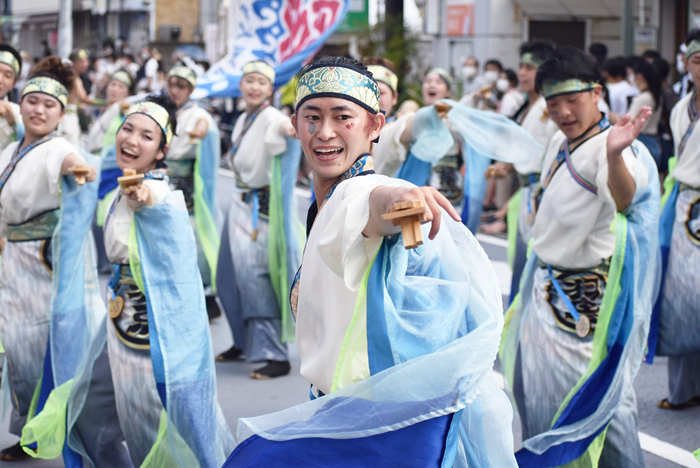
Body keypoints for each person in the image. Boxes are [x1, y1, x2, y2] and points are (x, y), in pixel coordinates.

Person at [222, 55, 518, 468]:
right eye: (312, 117)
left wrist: (400, 199)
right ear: (294, 125)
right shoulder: (327, 196)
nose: (324, 133)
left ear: (376, 125)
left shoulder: (355, 191)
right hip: (353, 416)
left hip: (375, 432)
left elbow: (373, 201)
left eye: (343, 116)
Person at [500, 47, 659, 467]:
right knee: (541, 401)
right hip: (546, 290)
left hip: (584, 302)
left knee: (605, 408)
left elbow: (625, 200)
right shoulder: (559, 138)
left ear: (597, 93)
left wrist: (614, 154)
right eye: (554, 103)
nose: (564, 111)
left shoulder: (615, 145)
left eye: (574, 99)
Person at [0, 57, 131, 466]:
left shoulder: (59, 146)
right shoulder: (10, 147)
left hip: (44, 263)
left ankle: (59, 431)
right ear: (22, 105)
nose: (39, 109)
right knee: (20, 352)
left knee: (50, 349)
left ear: (60, 113)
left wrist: (78, 168)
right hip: (13, 259)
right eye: (32, 101)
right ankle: (32, 431)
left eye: (48, 105)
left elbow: (72, 162)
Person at [102, 93, 234, 466]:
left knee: (150, 412)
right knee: (97, 402)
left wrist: (141, 195)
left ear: (162, 150)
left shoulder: (157, 191)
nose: (131, 140)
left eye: (147, 136)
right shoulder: (124, 182)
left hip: (145, 321)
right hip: (119, 312)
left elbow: (151, 200)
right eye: (128, 129)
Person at [374, 67, 541, 232]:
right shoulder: (412, 118)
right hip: (420, 181)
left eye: (438, 82)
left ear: (447, 91)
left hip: (449, 184)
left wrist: (471, 99)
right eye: (428, 81)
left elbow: (461, 114)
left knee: (447, 226)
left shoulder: (451, 117)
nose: (432, 85)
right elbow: (419, 122)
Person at [215, 61, 301, 380]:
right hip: (239, 204)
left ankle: (275, 354)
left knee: (255, 279)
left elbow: (285, 129)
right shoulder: (242, 118)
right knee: (227, 275)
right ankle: (243, 340)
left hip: (259, 213)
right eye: (249, 81)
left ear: (270, 89)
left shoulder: (271, 118)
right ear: (240, 86)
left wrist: (293, 128)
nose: (254, 87)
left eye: (261, 83)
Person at [647, 28, 700, 412]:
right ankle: (684, 390)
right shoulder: (682, 108)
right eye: (698, 60)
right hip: (683, 206)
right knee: (680, 299)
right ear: (686, 63)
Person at [484, 39, 558, 300]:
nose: (524, 73)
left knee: (533, 268)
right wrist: (510, 166)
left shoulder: (551, 106)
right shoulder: (529, 106)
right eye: (521, 67)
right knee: (521, 264)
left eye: (531, 67)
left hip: (543, 196)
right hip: (527, 192)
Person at [164, 65, 221, 317]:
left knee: (194, 240)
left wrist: (200, 131)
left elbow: (204, 127)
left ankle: (204, 296)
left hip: (188, 187)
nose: (175, 91)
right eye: (172, 85)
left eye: (181, 86)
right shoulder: (165, 112)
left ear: (191, 90)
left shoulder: (199, 114)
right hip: (165, 181)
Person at [629, 59, 663, 165]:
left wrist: (617, 119)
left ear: (639, 76)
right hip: (654, 142)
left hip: (641, 141)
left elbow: (631, 123)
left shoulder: (642, 98)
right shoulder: (656, 95)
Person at [0, 44, 24, 151]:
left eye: (7, 75)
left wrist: (13, 123)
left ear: (13, 84)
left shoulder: (18, 114)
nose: (0, 79)